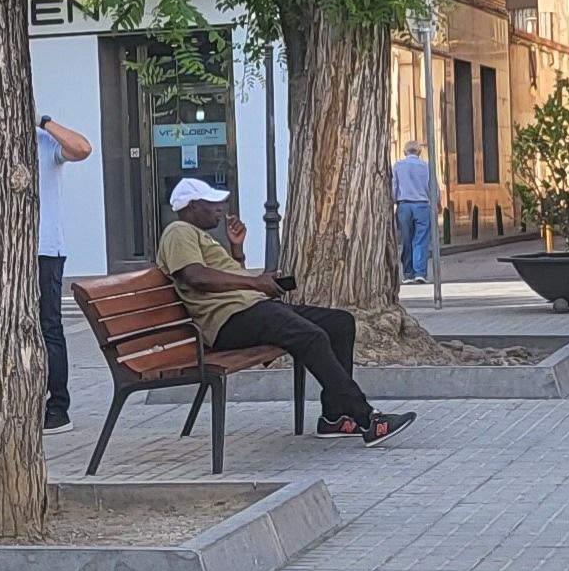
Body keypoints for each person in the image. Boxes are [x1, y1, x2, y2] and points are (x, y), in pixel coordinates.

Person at [154, 178, 414, 446]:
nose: (220, 208)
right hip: (229, 322)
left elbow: (226, 278)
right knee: (311, 336)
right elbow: (196, 277)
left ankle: (335, 417)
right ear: (192, 205)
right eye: (212, 203)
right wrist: (256, 282)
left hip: (250, 310)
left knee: (340, 323)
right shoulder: (178, 231)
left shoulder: (200, 236)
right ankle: (367, 419)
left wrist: (237, 250)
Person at [34, 113, 96, 432]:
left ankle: (58, 406)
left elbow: (83, 148)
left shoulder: (46, 142)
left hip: (45, 249)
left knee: (49, 326)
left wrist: (45, 123)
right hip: (6, 250)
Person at [390, 141, 439, 284]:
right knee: (421, 239)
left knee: (406, 239)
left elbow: (394, 186)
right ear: (419, 152)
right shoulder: (426, 166)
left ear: (405, 152)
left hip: (404, 205)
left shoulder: (398, 166)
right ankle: (420, 273)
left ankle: (408, 273)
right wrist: (436, 203)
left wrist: (394, 201)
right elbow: (433, 187)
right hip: (422, 205)